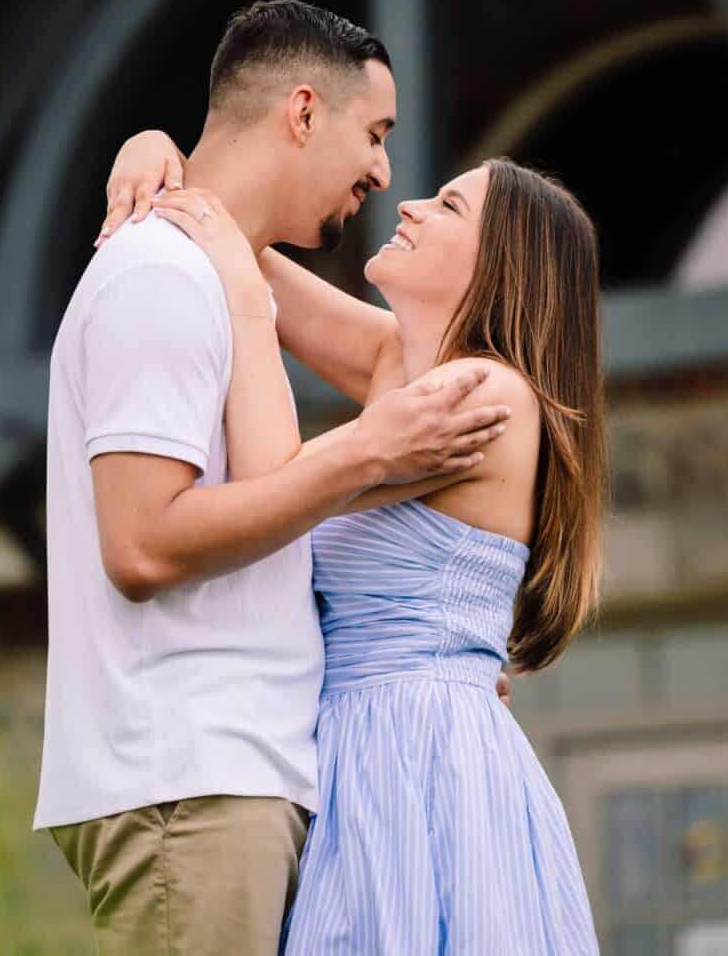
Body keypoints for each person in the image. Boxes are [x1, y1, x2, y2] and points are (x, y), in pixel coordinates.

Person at [33, 0, 516, 956]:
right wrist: (366, 458)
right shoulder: (160, 279)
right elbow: (137, 544)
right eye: (374, 133)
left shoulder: (213, 273)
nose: (385, 173)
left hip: (240, 785)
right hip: (188, 786)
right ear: (302, 113)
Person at [104, 129, 605, 951]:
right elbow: (226, 225)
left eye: (446, 206)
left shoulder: (484, 395)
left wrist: (238, 298)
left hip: (415, 760)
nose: (406, 203)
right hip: (355, 750)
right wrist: (153, 150)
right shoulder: (395, 366)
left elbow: (278, 482)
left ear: (499, 266)